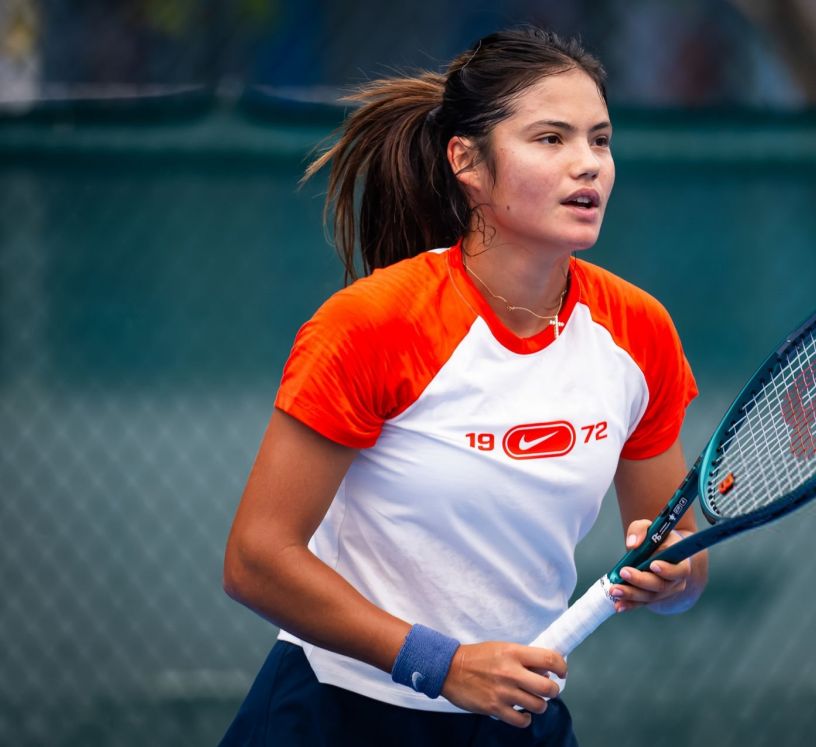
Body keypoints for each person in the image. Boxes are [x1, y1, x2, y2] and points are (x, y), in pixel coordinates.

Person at [220, 27, 707, 746]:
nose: (588, 166)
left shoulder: (640, 331)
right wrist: (438, 664)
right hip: (333, 712)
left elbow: (681, 555)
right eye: (550, 139)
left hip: (514, 719)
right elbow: (256, 558)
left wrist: (673, 578)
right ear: (468, 163)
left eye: (600, 140)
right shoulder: (373, 323)